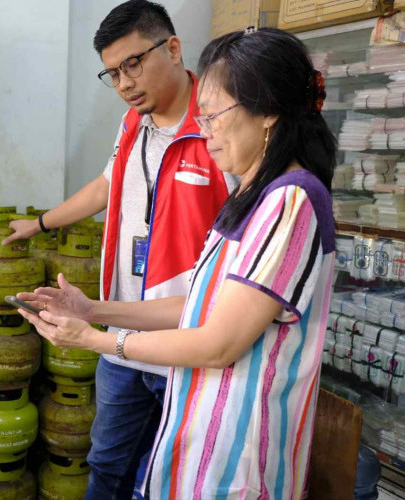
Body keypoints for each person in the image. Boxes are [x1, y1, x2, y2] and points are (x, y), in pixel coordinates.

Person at [18, 27, 336, 499]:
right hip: (201, 440)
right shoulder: (254, 194)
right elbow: (200, 306)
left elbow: (216, 344)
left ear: (267, 112)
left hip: (236, 459)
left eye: (213, 118)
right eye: (201, 119)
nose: (204, 135)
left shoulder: (291, 202)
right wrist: (94, 310)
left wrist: (95, 339)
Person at [4, 1, 234, 497]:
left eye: (133, 63)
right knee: (106, 464)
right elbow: (106, 186)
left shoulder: (219, 129)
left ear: (172, 48)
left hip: (186, 344)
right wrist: (39, 223)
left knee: (167, 478)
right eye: (112, 73)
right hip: (121, 341)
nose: (125, 83)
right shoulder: (134, 123)